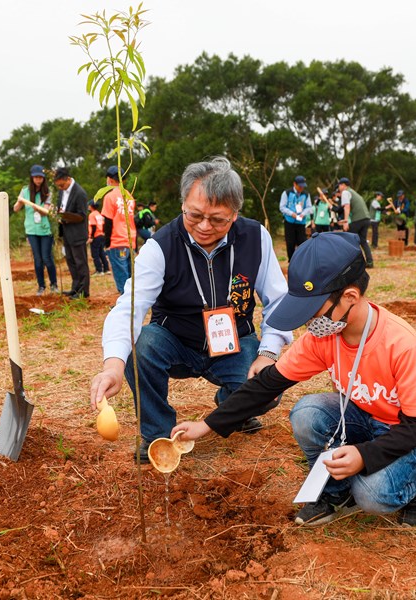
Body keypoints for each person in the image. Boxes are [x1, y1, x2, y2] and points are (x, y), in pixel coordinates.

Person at [171, 232, 416, 527]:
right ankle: (334, 492)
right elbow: (267, 384)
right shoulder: (323, 337)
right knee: (307, 413)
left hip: (414, 433)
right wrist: (207, 425)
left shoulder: (403, 345)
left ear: (350, 297)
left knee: (372, 494)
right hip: (364, 415)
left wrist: (364, 455)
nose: (309, 322)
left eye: (313, 311)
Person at [89, 157, 293, 462]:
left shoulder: (255, 238)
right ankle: (157, 432)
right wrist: (113, 365)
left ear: (235, 213)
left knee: (269, 389)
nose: (204, 227)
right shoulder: (160, 245)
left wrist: (268, 354)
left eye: (218, 219)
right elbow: (129, 308)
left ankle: (231, 408)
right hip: (176, 342)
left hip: (235, 344)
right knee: (140, 345)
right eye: (194, 215)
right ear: (183, 202)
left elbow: (278, 301)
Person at [14, 164, 58, 295]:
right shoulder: (25, 191)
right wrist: (20, 202)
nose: (38, 180)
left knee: (47, 258)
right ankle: (41, 286)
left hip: (44, 230)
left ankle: (54, 285)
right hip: (31, 230)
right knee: (38, 260)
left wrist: (36, 207)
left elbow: (46, 212)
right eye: (36, 177)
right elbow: (15, 209)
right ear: (32, 178)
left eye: (41, 177)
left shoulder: (48, 192)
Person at [53, 166, 90, 298]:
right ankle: (75, 288)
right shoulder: (62, 192)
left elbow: (81, 215)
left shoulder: (80, 193)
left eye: (62, 185)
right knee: (71, 261)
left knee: (80, 262)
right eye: (58, 186)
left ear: (68, 179)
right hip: (67, 232)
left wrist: (65, 216)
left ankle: (83, 291)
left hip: (78, 233)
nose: (60, 188)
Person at [100, 165, 138, 294]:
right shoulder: (129, 196)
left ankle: (125, 306)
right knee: (129, 276)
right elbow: (132, 220)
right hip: (130, 241)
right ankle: (130, 303)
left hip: (116, 242)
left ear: (110, 179)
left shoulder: (109, 197)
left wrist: (107, 243)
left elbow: (108, 222)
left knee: (121, 277)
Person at [337, 178, 373, 268]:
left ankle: (351, 264)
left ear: (343, 185)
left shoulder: (345, 192)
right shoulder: (354, 192)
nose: (339, 187)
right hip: (366, 219)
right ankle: (369, 262)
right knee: (363, 241)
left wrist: (345, 222)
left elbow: (347, 207)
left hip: (358, 219)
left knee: (349, 239)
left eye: (339, 185)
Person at [280, 175, 310, 260]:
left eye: (303, 186)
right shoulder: (287, 193)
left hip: (301, 223)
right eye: (300, 186)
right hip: (289, 222)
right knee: (290, 243)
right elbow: (282, 207)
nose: (301, 188)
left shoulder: (306, 194)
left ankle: (301, 261)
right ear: (294, 184)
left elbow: (309, 207)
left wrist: (303, 213)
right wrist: (291, 213)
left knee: (302, 243)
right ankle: (291, 261)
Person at [88, 200, 109, 276]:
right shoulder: (99, 214)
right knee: (101, 252)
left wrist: (91, 237)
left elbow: (93, 226)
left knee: (95, 254)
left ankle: (99, 270)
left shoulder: (91, 215)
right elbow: (103, 225)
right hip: (101, 235)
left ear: (91, 206)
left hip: (96, 236)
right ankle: (106, 269)